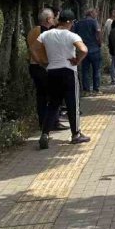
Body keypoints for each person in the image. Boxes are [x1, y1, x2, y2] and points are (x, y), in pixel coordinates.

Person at [31, 9, 91, 149]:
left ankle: (45, 134)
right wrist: (77, 60)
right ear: (69, 22)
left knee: (53, 104)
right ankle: (76, 134)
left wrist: (41, 62)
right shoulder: (72, 35)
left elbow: (33, 49)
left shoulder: (46, 34)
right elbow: (84, 50)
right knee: (72, 104)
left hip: (52, 72)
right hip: (68, 72)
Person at [26, 8, 68, 131]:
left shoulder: (35, 31)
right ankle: (52, 122)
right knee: (51, 95)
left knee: (43, 96)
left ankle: (45, 122)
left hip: (37, 66)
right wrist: (42, 62)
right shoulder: (42, 32)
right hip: (42, 67)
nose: (55, 20)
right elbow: (36, 50)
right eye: (54, 17)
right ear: (48, 19)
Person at [73, 8, 103, 95]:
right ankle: (96, 89)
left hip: (83, 50)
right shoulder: (94, 22)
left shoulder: (79, 23)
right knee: (96, 70)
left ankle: (86, 90)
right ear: (91, 13)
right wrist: (100, 42)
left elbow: (74, 34)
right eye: (95, 13)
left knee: (85, 70)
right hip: (94, 49)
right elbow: (98, 32)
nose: (96, 14)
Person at [103, 10, 115, 85]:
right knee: (114, 61)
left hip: (111, 43)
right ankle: (114, 78)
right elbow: (105, 32)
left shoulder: (108, 21)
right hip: (113, 43)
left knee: (114, 60)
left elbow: (105, 31)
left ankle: (114, 78)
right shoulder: (110, 21)